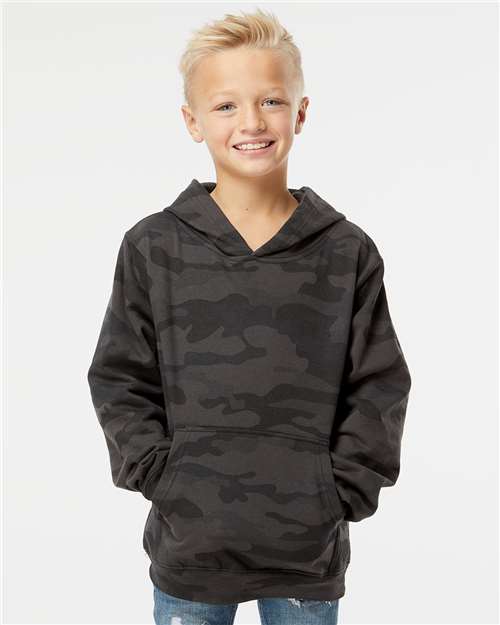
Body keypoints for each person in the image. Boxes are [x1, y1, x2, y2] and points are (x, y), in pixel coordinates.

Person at [87, 8, 412, 625]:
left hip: (306, 555)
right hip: (191, 547)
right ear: (193, 121)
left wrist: (339, 490)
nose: (252, 122)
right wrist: (163, 475)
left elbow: (379, 383)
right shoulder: (154, 246)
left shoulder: (346, 251)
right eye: (226, 105)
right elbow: (119, 376)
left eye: (271, 101)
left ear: (301, 112)